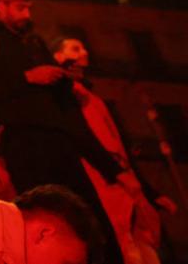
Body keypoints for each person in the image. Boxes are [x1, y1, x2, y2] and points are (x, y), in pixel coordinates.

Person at [0, 0, 131, 264]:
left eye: (28, 8)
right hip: (24, 142)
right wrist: (27, 77)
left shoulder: (34, 41)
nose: (26, 15)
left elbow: (66, 112)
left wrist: (109, 167)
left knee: (89, 221)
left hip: (59, 142)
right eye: (20, 8)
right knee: (48, 222)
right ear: (3, 6)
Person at [52, 35, 175, 264]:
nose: (84, 53)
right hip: (103, 178)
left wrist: (150, 192)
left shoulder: (91, 96)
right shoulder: (66, 95)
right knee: (123, 241)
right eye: (75, 49)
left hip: (120, 176)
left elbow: (120, 145)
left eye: (84, 48)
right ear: (57, 57)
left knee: (141, 244)